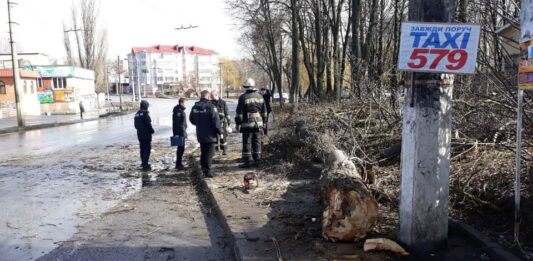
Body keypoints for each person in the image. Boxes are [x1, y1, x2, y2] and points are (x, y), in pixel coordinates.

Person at [235, 78, 268, 168]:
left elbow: (239, 113)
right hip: (259, 123)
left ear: (246, 87)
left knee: (247, 142)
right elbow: (265, 111)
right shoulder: (260, 97)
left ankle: (247, 162)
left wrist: (238, 123)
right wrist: (264, 122)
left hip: (247, 124)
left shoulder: (243, 97)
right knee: (257, 141)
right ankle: (257, 161)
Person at [190, 90, 222, 178]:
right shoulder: (211, 107)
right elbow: (216, 122)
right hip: (210, 134)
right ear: (208, 97)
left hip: (200, 133)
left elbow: (191, 119)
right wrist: (220, 131)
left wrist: (200, 124)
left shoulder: (195, 107)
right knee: (209, 153)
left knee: (203, 152)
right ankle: (207, 172)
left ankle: (204, 169)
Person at [134, 100, 155, 171]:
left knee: (142, 148)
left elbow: (136, 125)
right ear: (146, 106)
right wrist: (151, 130)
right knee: (147, 148)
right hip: (146, 134)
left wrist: (140, 129)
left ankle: (143, 162)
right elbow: (148, 124)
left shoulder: (137, 114)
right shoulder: (145, 113)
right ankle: (145, 163)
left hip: (139, 134)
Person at [172, 97, 188, 170]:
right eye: (185, 103)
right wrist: (177, 133)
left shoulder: (179, 110)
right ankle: (178, 164)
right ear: (181, 103)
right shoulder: (178, 112)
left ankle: (179, 163)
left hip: (181, 131)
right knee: (180, 149)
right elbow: (177, 124)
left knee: (181, 148)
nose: (186, 105)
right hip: (180, 132)